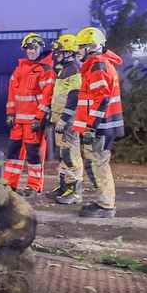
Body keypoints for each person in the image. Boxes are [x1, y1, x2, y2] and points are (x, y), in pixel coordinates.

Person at [71, 26, 125, 218]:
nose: (78, 51)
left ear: (92, 46)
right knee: (96, 163)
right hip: (102, 124)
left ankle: (106, 205)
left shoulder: (98, 66)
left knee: (98, 163)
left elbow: (101, 99)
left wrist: (90, 126)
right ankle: (103, 200)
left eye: (81, 47)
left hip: (100, 125)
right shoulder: (98, 64)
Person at [2, 32, 54, 197]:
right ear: (25, 50)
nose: (32, 51)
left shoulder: (46, 71)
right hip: (18, 122)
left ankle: (35, 186)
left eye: (35, 48)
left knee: (34, 155)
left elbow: (47, 97)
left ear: (40, 49)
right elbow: (12, 94)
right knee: (13, 155)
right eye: (29, 48)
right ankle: (9, 185)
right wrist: (10, 113)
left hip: (34, 123)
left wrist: (39, 118)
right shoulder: (19, 70)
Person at [47, 34, 83, 203]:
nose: (57, 55)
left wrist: (64, 118)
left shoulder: (74, 69)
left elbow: (74, 96)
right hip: (61, 119)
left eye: (60, 52)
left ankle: (75, 191)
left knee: (71, 155)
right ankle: (64, 186)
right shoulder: (65, 69)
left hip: (68, 121)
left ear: (70, 52)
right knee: (62, 154)